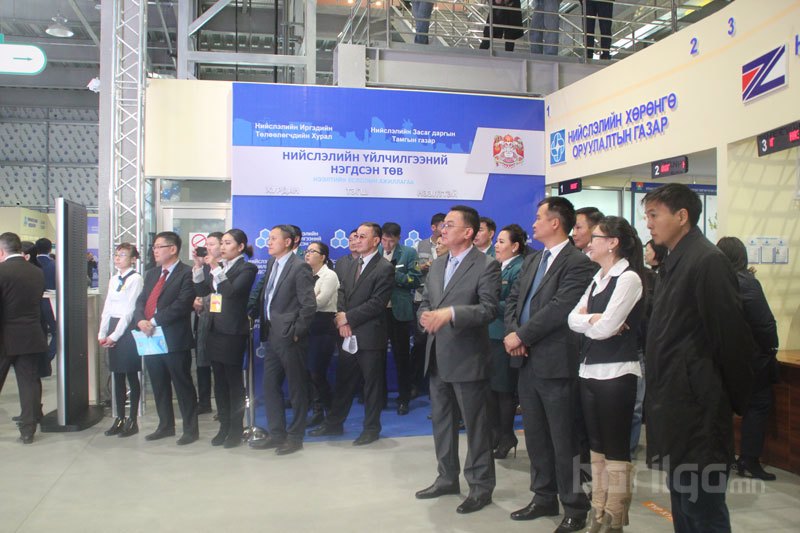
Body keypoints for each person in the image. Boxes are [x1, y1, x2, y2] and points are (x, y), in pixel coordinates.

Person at [642, 183, 754, 533]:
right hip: (676, 402)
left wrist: (736, 399)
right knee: (683, 501)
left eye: (654, 215)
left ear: (682, 216)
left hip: (699, 405)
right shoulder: (675, 260)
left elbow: (730, 337)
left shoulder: (707, 261)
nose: (648, 223)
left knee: (703, 506)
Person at [503, 197, 594, 532]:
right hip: (526, 361)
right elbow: (514, 300)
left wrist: (521, 335)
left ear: (556, 222)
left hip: (556, 362)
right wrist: (513, 332)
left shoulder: (578, 262)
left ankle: (575, 506)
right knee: (537, 435)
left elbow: (560, 308)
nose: (534, 223)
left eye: (539, 217)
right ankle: (543, 496)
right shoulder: (533, 259)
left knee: (564, 438)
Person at [415, 205, 500, 515]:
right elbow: (426, 301)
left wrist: (451, 314)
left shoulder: (486, 265)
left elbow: (489, 309)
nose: (443, 229)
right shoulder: (438, 264)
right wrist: (424, 316)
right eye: (443, 225)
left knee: (476, 428)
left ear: (468, 232)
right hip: (437, 356)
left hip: (468, 359)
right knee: (442, 424)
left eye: (450, 225)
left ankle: (480, 487)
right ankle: (447, 477)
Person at [568, 216, 645, 533]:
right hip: (589, 370)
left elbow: (608, 327)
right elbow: (572, 320)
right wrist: (593, 320)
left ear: (613, 242)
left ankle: (614, 517)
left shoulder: (628, 278)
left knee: (616, 449)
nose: (588, 242)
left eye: (595, 237)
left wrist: (593, 321)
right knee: (596, 448)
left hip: (617, 373)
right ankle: (597, 512)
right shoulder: (597, 278)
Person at [309, 222, 394, 446]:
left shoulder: (384, 267)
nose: (357, 240)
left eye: (363, 236)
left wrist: (348, 318)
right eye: (356, 236)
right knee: (344, 381)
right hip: (347, 332)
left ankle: (371, 429)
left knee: (372, 385)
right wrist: (341, 319)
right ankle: (334, 423)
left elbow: (377, 303)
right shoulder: (350, 264)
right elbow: (342, 292)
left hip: (370, 335)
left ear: (376, 240)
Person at [248, 225, 316, 455]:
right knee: (270, 386)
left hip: (290, 337)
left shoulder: (300, 267)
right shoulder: (271, 263)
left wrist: (296, 332)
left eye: (274, 238)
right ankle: (277, 434)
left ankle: (295, 437)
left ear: (288, 242)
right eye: (268, 238)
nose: (269, 242)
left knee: (297, 389)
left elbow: (309, 305)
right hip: (271, 335)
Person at [717, 237, 779, 481]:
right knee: (758, 404)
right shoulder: (746, 283)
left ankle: (725, 457)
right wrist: (771, 347)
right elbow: (764, 323)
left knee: (724, 407)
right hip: (751, 357)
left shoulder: (716, 281)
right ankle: (749, 460)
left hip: (723, 357)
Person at [134, 231, 200, 445]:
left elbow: (182, 304)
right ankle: (165, 425)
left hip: (174, 338)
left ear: (172, 249)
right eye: (153, 247)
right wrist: (140, 320)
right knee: (158, 383)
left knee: (182, 385)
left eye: (158, 247)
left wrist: (153, 321)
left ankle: (190, 429)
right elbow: (141, 300)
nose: (154, 251)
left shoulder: (187, 273)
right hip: (150, 338)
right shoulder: (152, 274)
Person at [194, 229, 258, 449]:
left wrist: (215, 267)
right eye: (221, 243)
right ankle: (223, 426)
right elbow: (203, 290)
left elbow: (230, 292)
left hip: (232, 332)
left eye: (228, 243)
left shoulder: (247, 268)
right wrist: (199, 267)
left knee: (233, 382)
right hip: (214, 329)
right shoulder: (220, 267)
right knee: (219, 382)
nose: (222, 247)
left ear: (240, 247)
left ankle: (236, 428)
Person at [0, 232, 48, 444]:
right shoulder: (36, 272)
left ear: (1, 251)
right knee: (28, 383)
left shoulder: (2, 271)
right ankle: (28, 430)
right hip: (31, 334)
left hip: (4, 337)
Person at [98, 243, 145, 438]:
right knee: (116, 375)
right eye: (116, 255)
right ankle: (119, 417)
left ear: (133, 259)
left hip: (127, 329)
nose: (118, 258)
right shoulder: (114, 278)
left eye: (123, 255)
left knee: (131, 374)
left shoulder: (136, 279)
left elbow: (129, 310)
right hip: (113, 326)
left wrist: (115, 335)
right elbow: (108, 307)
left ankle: (132, 419)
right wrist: (103, 333)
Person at [488, 224, 526, 459]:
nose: (497, 246)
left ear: (515, 246)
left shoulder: (520, 268)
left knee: (504, 390)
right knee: (492, 389)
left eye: (502, 242)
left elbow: (515, 303)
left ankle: (506, 435)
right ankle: (495, 434)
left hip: (505, 336)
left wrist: (486, 304)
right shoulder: (498, 266)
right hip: (490, 335)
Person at [629, 238, 667, 456]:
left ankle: (629, 449)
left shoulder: (650, 278)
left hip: (641, 347)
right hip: (619, 348)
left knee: (636, 405)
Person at [381, 222, 421, 415]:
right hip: (378, 312)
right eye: (384, 240)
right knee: (376, 357)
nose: (387, 245)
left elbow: (415, 279)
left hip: (399, 312)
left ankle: (404, 398)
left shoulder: (408, 253)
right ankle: (379, 397)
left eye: (391, 241)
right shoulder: (375, 251)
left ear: (398, 238)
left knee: (401, 357)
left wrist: (394, 274)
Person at [304, 241, 340, 427]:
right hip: (308, 326)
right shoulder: (306, 275)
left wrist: (301, 302)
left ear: (323, 256)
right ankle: (317, 412)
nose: (307, 254)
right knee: (309, 373)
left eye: (312, 251)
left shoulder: (329, 275)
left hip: (323, 326)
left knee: (317, 373)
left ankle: (332, 416)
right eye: (307, 250)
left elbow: (320, 301)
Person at [412, 213, 446, 395]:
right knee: (420, 344)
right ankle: (416, 384)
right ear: (434, 227)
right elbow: (412, 269)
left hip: (443, 307)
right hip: (422, 299)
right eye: (443, 225)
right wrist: (423, 267)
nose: (445, 229)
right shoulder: (420, 245)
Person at [192, 231, 224, 415]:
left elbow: (223, 292)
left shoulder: (226, 266)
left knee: (220, 366)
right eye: (207, 244)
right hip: (203, 319)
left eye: (212, 244)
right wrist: (198, 266)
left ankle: (223, 407)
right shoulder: (204, 266)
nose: (208, 248)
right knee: (202, 362)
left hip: (220, 321)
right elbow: (200, 290)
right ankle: (204, 402)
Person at [35, 238, 57, 364]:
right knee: (57, 332)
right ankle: (47, 357)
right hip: (50, 302)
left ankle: (37, 359)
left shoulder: (31, 264)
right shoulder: (55, 265)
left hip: (33, 303)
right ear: (50, 249)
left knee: (39, 332)